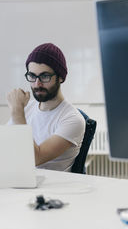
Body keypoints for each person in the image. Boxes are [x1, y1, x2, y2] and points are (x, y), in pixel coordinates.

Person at [7, 43, 85, 172]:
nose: (37, 84)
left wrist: (17, 111)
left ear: (60, 77)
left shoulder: (73, 119)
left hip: (51, 189)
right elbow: (2, 145)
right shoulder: (28, 108)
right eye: (32, 76)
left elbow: (35, 159)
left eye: (44, 76)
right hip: (21, 181)